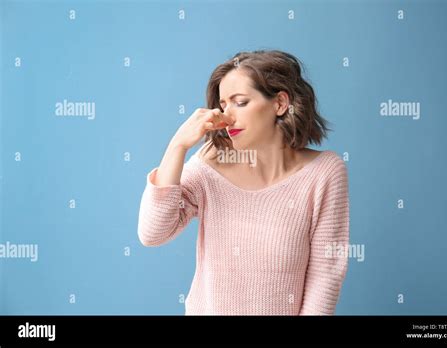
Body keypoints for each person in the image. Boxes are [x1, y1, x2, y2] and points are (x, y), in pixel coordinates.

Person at [138, 50, 350, 315]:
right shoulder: (209, 165)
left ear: (280, 103)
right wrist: (178, 145)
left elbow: (325, 275)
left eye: (240, 102)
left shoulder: (324, 173)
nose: (228, 117)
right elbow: (153, 233)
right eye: (224, 105)